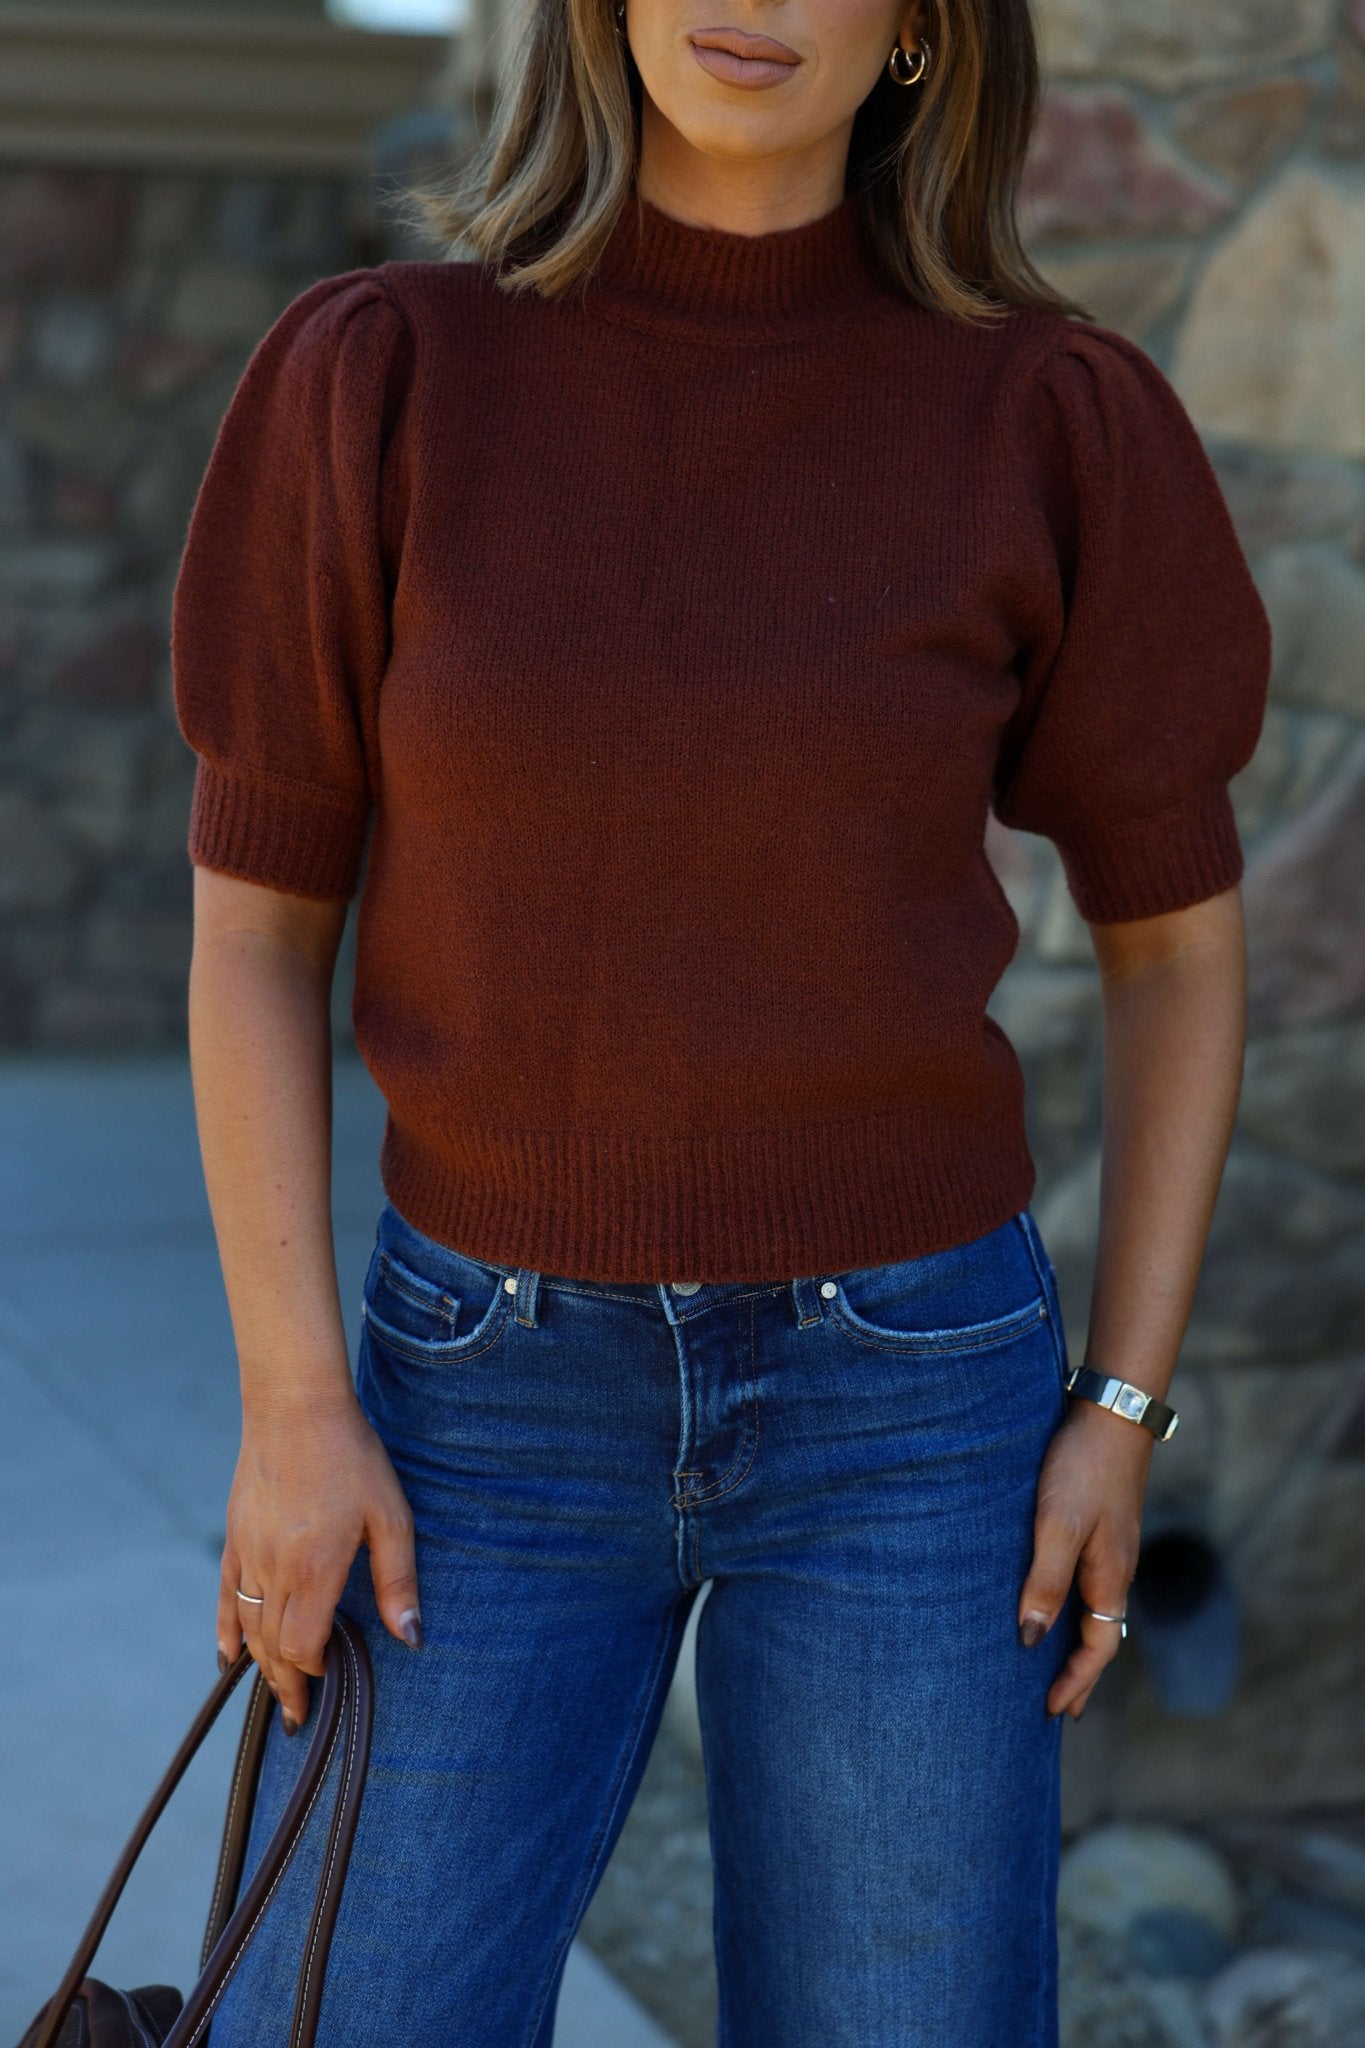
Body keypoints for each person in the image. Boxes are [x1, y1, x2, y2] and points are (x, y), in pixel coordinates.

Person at [169, 0, 1271, 2038]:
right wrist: (291, 1401)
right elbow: (254, 927)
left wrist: (1117, 1404)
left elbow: (1178, 948)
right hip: (472, 1398)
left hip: (909, 1409)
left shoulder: (1043, 416)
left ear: (930, 28)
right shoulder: (383, 378)